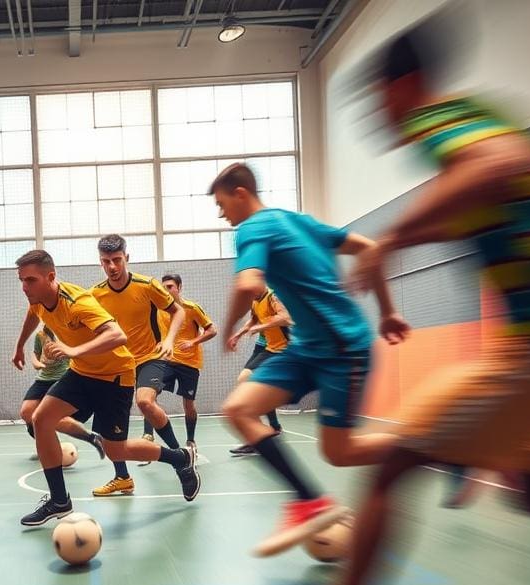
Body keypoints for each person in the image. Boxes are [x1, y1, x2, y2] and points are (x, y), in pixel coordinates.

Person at [243, 24, 530, 585]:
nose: (375, 117)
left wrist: (394, 235)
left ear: (403, 88)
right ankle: (458, 457)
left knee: (396, 464)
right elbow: (495, 190)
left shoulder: (448, 121)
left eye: (376, 100)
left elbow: (497, 165)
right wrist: (409, 241)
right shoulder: (479, 118)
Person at [213, 162, 410, 557]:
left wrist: (229, 323)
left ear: (240, 193)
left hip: (343, 349)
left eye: (222, 204)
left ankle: (430, 445)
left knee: (339, 453)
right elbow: (369, 249)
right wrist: (388, 311)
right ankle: (310, 501)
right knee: (237, 409)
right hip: (306, 348)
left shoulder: (252, 228)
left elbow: (249, 283)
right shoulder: (300, 221)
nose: (222, 214)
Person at [11, 250, 200, 527]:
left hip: (114, 377)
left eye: (30, 280)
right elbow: (33, 314)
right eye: (22, 281)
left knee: (117, 451)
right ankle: (59, 500)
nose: (24, 288)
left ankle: (180, 458)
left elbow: (117, 335)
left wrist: (73, 349)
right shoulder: (38, 299)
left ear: (50, 277)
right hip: (82, 373)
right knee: (41, 418)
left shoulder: (78, 302)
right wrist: (19, 346)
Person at [89, 235, 186, 496]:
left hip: (148, 357)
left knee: (145, 402)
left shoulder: (147, 285)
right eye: (106, 261)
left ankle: (181, 459)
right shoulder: (95, 294)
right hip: (116, 364)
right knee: (107, 429)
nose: (112, 266)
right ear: (100, 262)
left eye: (117, 260)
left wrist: (168, 339)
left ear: (126, 258)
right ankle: (122, 478)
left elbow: (179, 311)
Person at [140, 273, 217, 459]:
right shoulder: (157, 309)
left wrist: (193, 341)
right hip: (165, 360)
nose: (166, 290)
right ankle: (148, 435)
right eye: (164, 287)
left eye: (170, 287)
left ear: (179, 287)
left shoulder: (191, 308)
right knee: (148, 394)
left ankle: (190, 440)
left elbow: (212, 330)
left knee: (188, 405)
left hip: (189, 363)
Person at [20, 325, 106, 461]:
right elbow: (35, 355)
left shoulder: (65, 333)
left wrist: (65, 351)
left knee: (55, 419)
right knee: (27, 412)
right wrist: (38, 364)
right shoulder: (41, 336)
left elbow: (77, 352)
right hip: (43, 379)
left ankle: (91, 437)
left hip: (63, 378)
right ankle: (51, 444)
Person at [228, 286, 293, 456]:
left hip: (283, 351)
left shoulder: (273, 296)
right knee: (248, 383)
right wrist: (238, 334)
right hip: (270, 349)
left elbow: (286, 318)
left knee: (248, 383)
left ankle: (259, 437)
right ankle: (271, 430)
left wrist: (261, 326)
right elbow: (253, 320)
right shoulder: (256, 300)